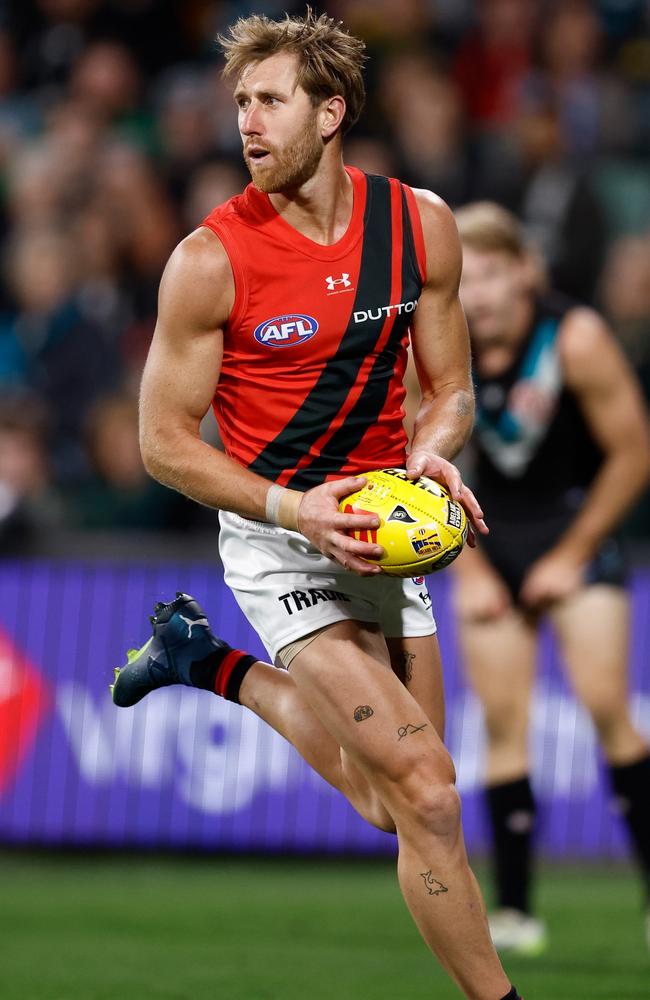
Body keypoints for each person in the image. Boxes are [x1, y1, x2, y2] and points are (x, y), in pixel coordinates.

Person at [111, 12, 523, 1000]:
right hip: (282, 537)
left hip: (384, 531)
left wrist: (429, 456)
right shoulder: (208, 261)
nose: (247, 122)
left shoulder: (415, 224)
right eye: (240, 103)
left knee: (391, 810)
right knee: (428, 792)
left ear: (329, 111)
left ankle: (207, 664)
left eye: (270, 100)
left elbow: (452, 388)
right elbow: (162, 442)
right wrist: (290, 511)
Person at [451, 201, 650, 954]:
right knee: (503, 727)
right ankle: (515, 912)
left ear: (525, 272)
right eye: (466, 277)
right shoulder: (438, 348)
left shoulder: (576, 337)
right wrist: (470, 570)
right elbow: (415, 468)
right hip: (485, 538)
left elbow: (633, 453)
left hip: (576, 529)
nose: (480, 295)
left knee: (607, 706)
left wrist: (572, 555)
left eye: (495, 274)